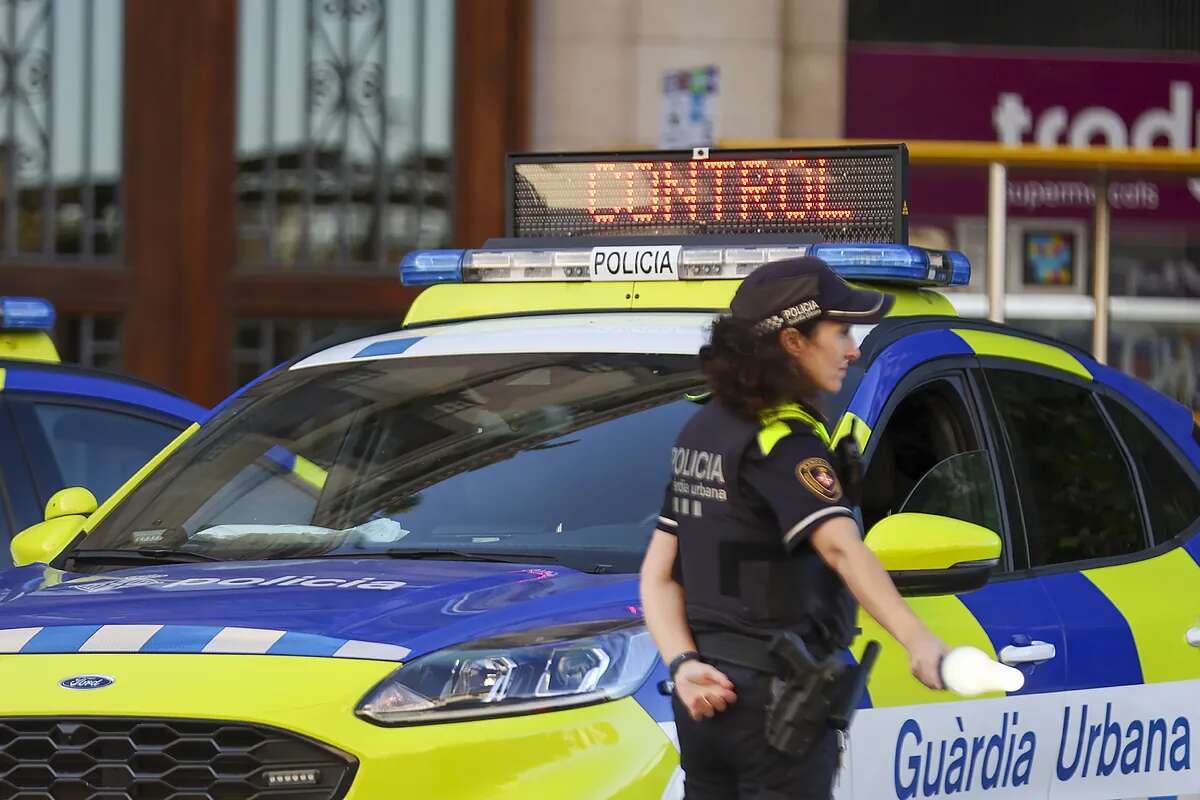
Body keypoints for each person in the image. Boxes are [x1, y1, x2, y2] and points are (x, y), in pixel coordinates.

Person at [640, 256, 948, 799]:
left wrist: (684, 664)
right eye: (841, 331)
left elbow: (659, 575)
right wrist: (919, 640)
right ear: (792, 341)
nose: (853, 350)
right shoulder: (783, 441)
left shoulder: (703, 430)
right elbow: (842, 550)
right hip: (776, 710)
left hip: (706, 701)